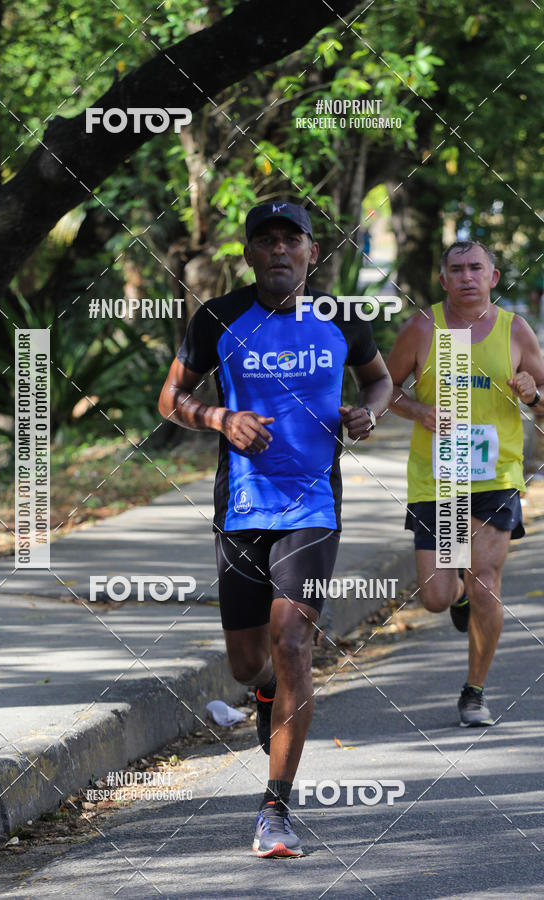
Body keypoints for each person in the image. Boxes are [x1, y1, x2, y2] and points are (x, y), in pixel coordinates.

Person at [158, 200, 392, 857]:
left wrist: (368, 414)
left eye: (293, 241)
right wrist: (218, 419)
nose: (281, 251)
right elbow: (170, 398)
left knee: (293, 641)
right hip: (241, 507)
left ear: (312, 254)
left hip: (313, 504)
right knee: (247, 663)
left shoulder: (341, 316)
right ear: (251, 254)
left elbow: (378, 381)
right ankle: (262, 691)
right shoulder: (219, 318)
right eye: (268, 241)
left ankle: (275, 809)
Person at [387, 240, 544, 726]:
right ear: (443, 280)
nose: (467, 277)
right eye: (456, 269)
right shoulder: (422, 327)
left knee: (486, 585)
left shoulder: (514, 329)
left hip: (495, 476)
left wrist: (533, 392)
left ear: (493, 277)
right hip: (439, 477)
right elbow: (382, 390)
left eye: (477, 268)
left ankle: (474, 691)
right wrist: (419, 410)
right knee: (436, 596)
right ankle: (453, 597)